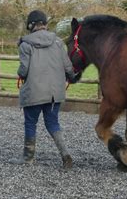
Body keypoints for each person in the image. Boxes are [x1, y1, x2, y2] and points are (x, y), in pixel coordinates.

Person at [17, 10, 80, 169]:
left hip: (34, 92)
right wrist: (72, 77)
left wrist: (19, 74)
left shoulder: (25, 44)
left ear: (31, 25)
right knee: (53, 123)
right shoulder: (58, 42)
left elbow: (24, 70)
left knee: (31, 123)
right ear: (45, 24)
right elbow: (68, 66)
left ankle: (28, 158)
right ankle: (65, 155)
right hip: (54, 93)